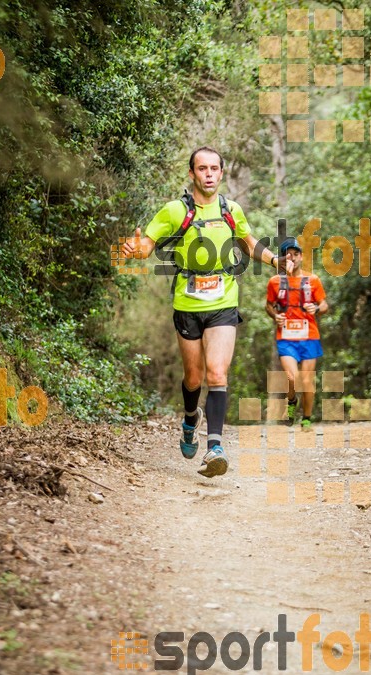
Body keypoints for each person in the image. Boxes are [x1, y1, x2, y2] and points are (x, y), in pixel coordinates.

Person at [121, 146, 281, 477]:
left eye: (214, 168)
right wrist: (136, 251)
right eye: (202, 168)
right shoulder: (175, 211)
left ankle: (215, 447)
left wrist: (277, 260)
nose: (208, 174)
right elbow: (147, 245)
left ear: (221, 173)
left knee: (217, 372)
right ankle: (191, 418)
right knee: (193, 377)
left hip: (224, 299)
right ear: (192, 174)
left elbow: (249, 244)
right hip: (187, 302)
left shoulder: (230, 210)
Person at [265, 237, 328, 428]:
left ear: (301, 256)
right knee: (292, 377)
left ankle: (307, 418)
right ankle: (291, 401)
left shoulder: (313, 280)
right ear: (283, 259)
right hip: (286, 338)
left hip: (309, 336)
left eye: (296, 253)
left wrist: (315, 310)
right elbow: (268, 305)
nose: (292, 257)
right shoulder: (275, 282)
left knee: (307, 380)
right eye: (288, 254)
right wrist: (275, 316)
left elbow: (324, 304)